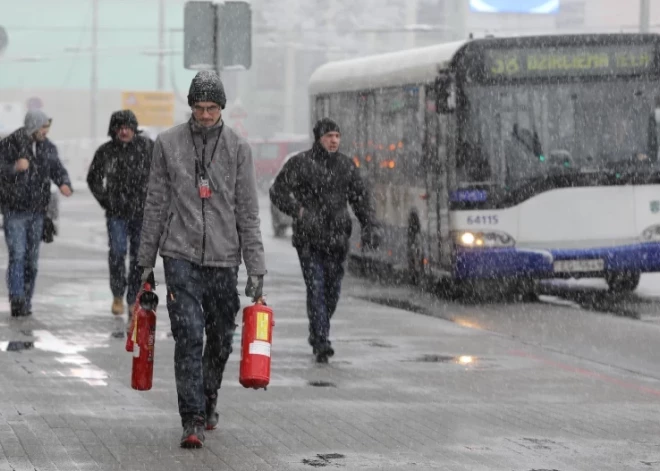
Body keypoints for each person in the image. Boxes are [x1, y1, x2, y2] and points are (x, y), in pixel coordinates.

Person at [137, 70, 266, 449]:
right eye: (199, 108)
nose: (205, 115)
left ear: (221, 108)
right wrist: (146, 261)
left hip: (225, 259)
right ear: (190, 107)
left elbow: (248, 213)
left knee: (221, 338)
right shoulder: (168, 144)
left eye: (211, 108)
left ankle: (209, 397)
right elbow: (156, 204)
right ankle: (191, 417)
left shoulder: (239, 150)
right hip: (180, 255)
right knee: (189, 335)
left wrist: (256, 268)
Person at [269, 118, 379, 363]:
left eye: (337, 136)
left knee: (332, 291)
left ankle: (318, 330)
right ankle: (321, 340)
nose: (334, 141)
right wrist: (298, 212)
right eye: (329, 136)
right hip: (309, 240)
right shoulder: (300, 163)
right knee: (316, 288)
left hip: (338, 240)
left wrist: (370, 225)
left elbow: (360, 198)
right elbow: (277, 191)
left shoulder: (346, 166)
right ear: (319, 138)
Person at [0, 110, 73, 317]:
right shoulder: (10, 144)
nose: (45, 131)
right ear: (32, 126)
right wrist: (15, 167)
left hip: (38, 212)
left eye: (47, 128)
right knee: (17, 256)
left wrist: (64, 183)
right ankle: (17, 299)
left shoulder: (48, 147)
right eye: (42, 127)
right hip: (14, 211)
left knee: (31, 260)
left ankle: (26, 299)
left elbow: (57, 168)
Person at [86, 110, 154, 317]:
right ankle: (117, 293)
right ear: (114, 130)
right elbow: (93, 178)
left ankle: (133, 296)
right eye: (120, 128)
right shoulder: (106, 151)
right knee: (117, 252)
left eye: (128, 127)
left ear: (134, 128)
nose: (124, 132)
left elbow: (163, 175)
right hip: (116, 213)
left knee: (138, 257)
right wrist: (106, 200)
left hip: (142, 212)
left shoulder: (147, 147)